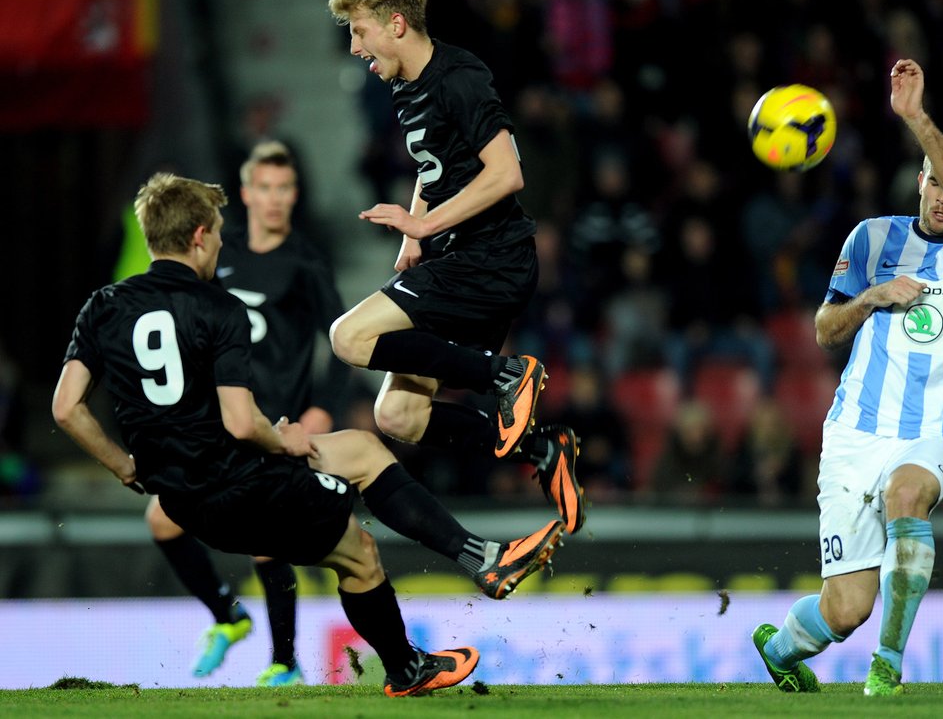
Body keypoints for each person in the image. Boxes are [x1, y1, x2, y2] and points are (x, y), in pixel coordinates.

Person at [52, 172, 566, 698]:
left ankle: (413, 659)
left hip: (183, 500)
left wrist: (125, 466)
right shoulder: (218, 306)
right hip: (241, 485)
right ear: (200, 236)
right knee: (360, 533)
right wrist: (283, 441)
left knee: (360, 500)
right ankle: (480, 565)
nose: (224, 241)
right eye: (220, 231)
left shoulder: (103, 307)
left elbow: (67, 409)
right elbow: (239, 421)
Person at [751, 59, 943, 697]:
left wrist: (914, 117)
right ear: (918, 181)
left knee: (907, 495)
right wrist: (873, 297)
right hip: (854, 434)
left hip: (935, 431)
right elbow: (824, 328)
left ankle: (888, 667)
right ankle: (782, 649)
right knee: (845, 611)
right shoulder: (872, 238)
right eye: (936, 182)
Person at [326, 0, 585, 534]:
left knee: (347, 337)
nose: (353, 46)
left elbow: (507, 173)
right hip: (461, 259)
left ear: (395, 24)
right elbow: (432, 163)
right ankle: (544, 449)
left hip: (491, 260)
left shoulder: (458, 77)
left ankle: (506, 375)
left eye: (358, 30)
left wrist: (425, 226)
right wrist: (414, 230)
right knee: (396, 414)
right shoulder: (405, 82)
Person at [142, 141, 347, 686]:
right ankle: (228, 617)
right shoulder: (216, 254)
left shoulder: (305, 261)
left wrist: (323, 408)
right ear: (247, 193)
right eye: (266, 188)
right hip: (220, 418)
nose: (275, 199)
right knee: (162, 519)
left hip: (273, 424)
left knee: (263, 539)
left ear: (294, 195)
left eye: (285, 189)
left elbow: (344, 344)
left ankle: (284, 662)